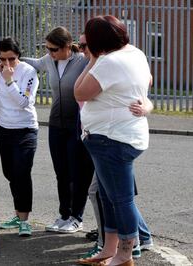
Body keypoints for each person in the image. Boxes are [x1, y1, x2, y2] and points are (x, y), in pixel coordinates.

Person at [75, 15, 153, 266]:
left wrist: (92, 60)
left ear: (98, 43)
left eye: (89, 44)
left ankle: (125, 254)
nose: (85, 49)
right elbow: (148, 81)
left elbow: (79, 91)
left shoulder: (108, 62)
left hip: (112, 139)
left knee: (120, 199)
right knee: (108, 196)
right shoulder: (136, 54)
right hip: (123, 136)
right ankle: (109, 248)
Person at [22, 27, 94, 233]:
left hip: (76, 125)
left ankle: (76, 217)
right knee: (61, 173)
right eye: (47, 48)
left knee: (76, 173)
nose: (49, 52)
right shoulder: (49, 60)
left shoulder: (82, 61)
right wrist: (12, 59)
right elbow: (33, 63)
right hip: (55, 125)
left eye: (53, 49)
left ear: (65, 47)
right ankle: (63, 215)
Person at [0, 37, 39, 237]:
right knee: (10, 173)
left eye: (11, 58)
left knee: (22, 172)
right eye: (3, 59)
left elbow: (24, 102)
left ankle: (24, 220)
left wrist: (10, 80)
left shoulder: (28, 72)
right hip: (4, 128)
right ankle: (17, 212)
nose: (7, 63)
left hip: (25, 129)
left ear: (18, 55)